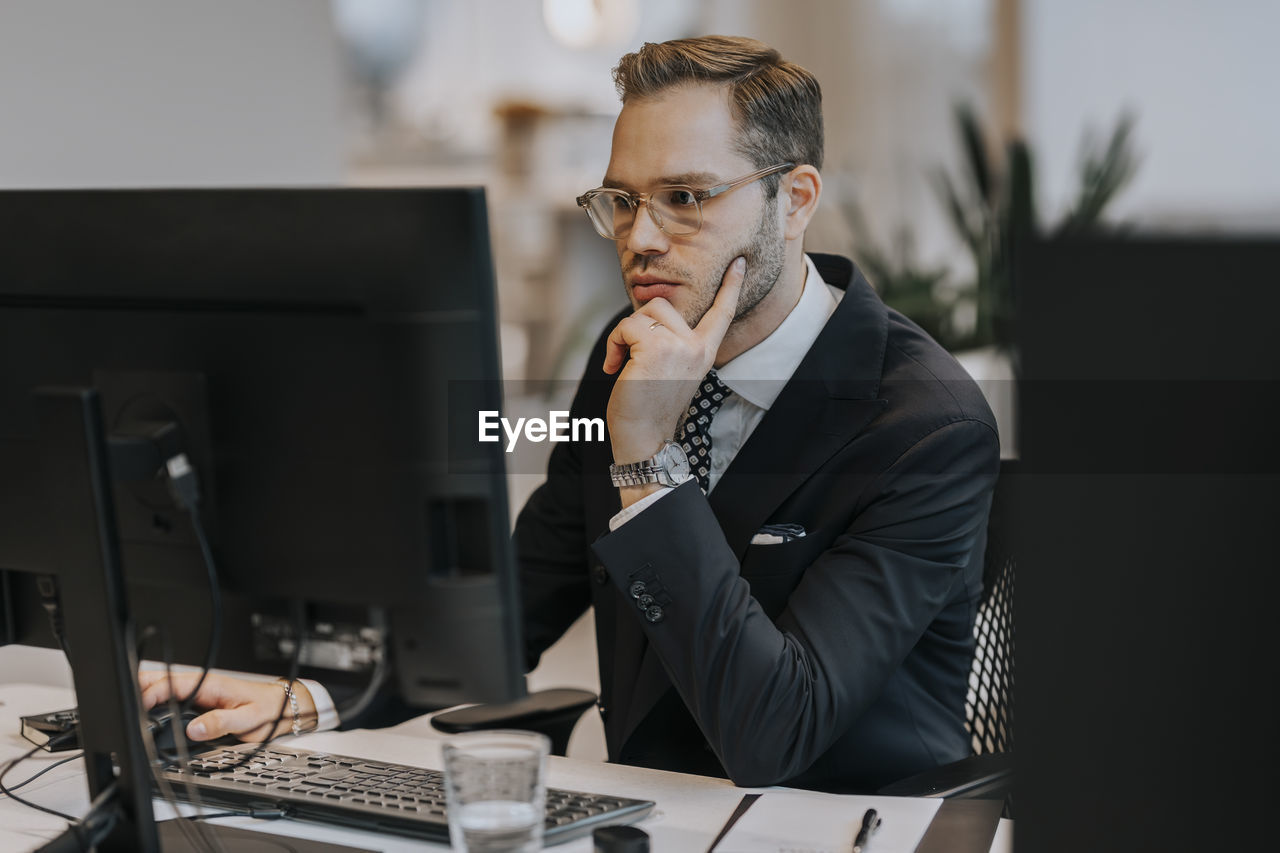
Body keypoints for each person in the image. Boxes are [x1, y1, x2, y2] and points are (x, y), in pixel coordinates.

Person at [142, 35, 999, 794]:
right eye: (622, 200)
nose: (642, 238)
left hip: (846, 823)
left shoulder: (922, 424)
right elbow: (515, 605)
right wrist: (312, 698)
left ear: (796, 197)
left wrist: (646, 460)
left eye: (688, 198)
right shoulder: (627, 357)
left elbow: (773, 733)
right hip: (653, 808)